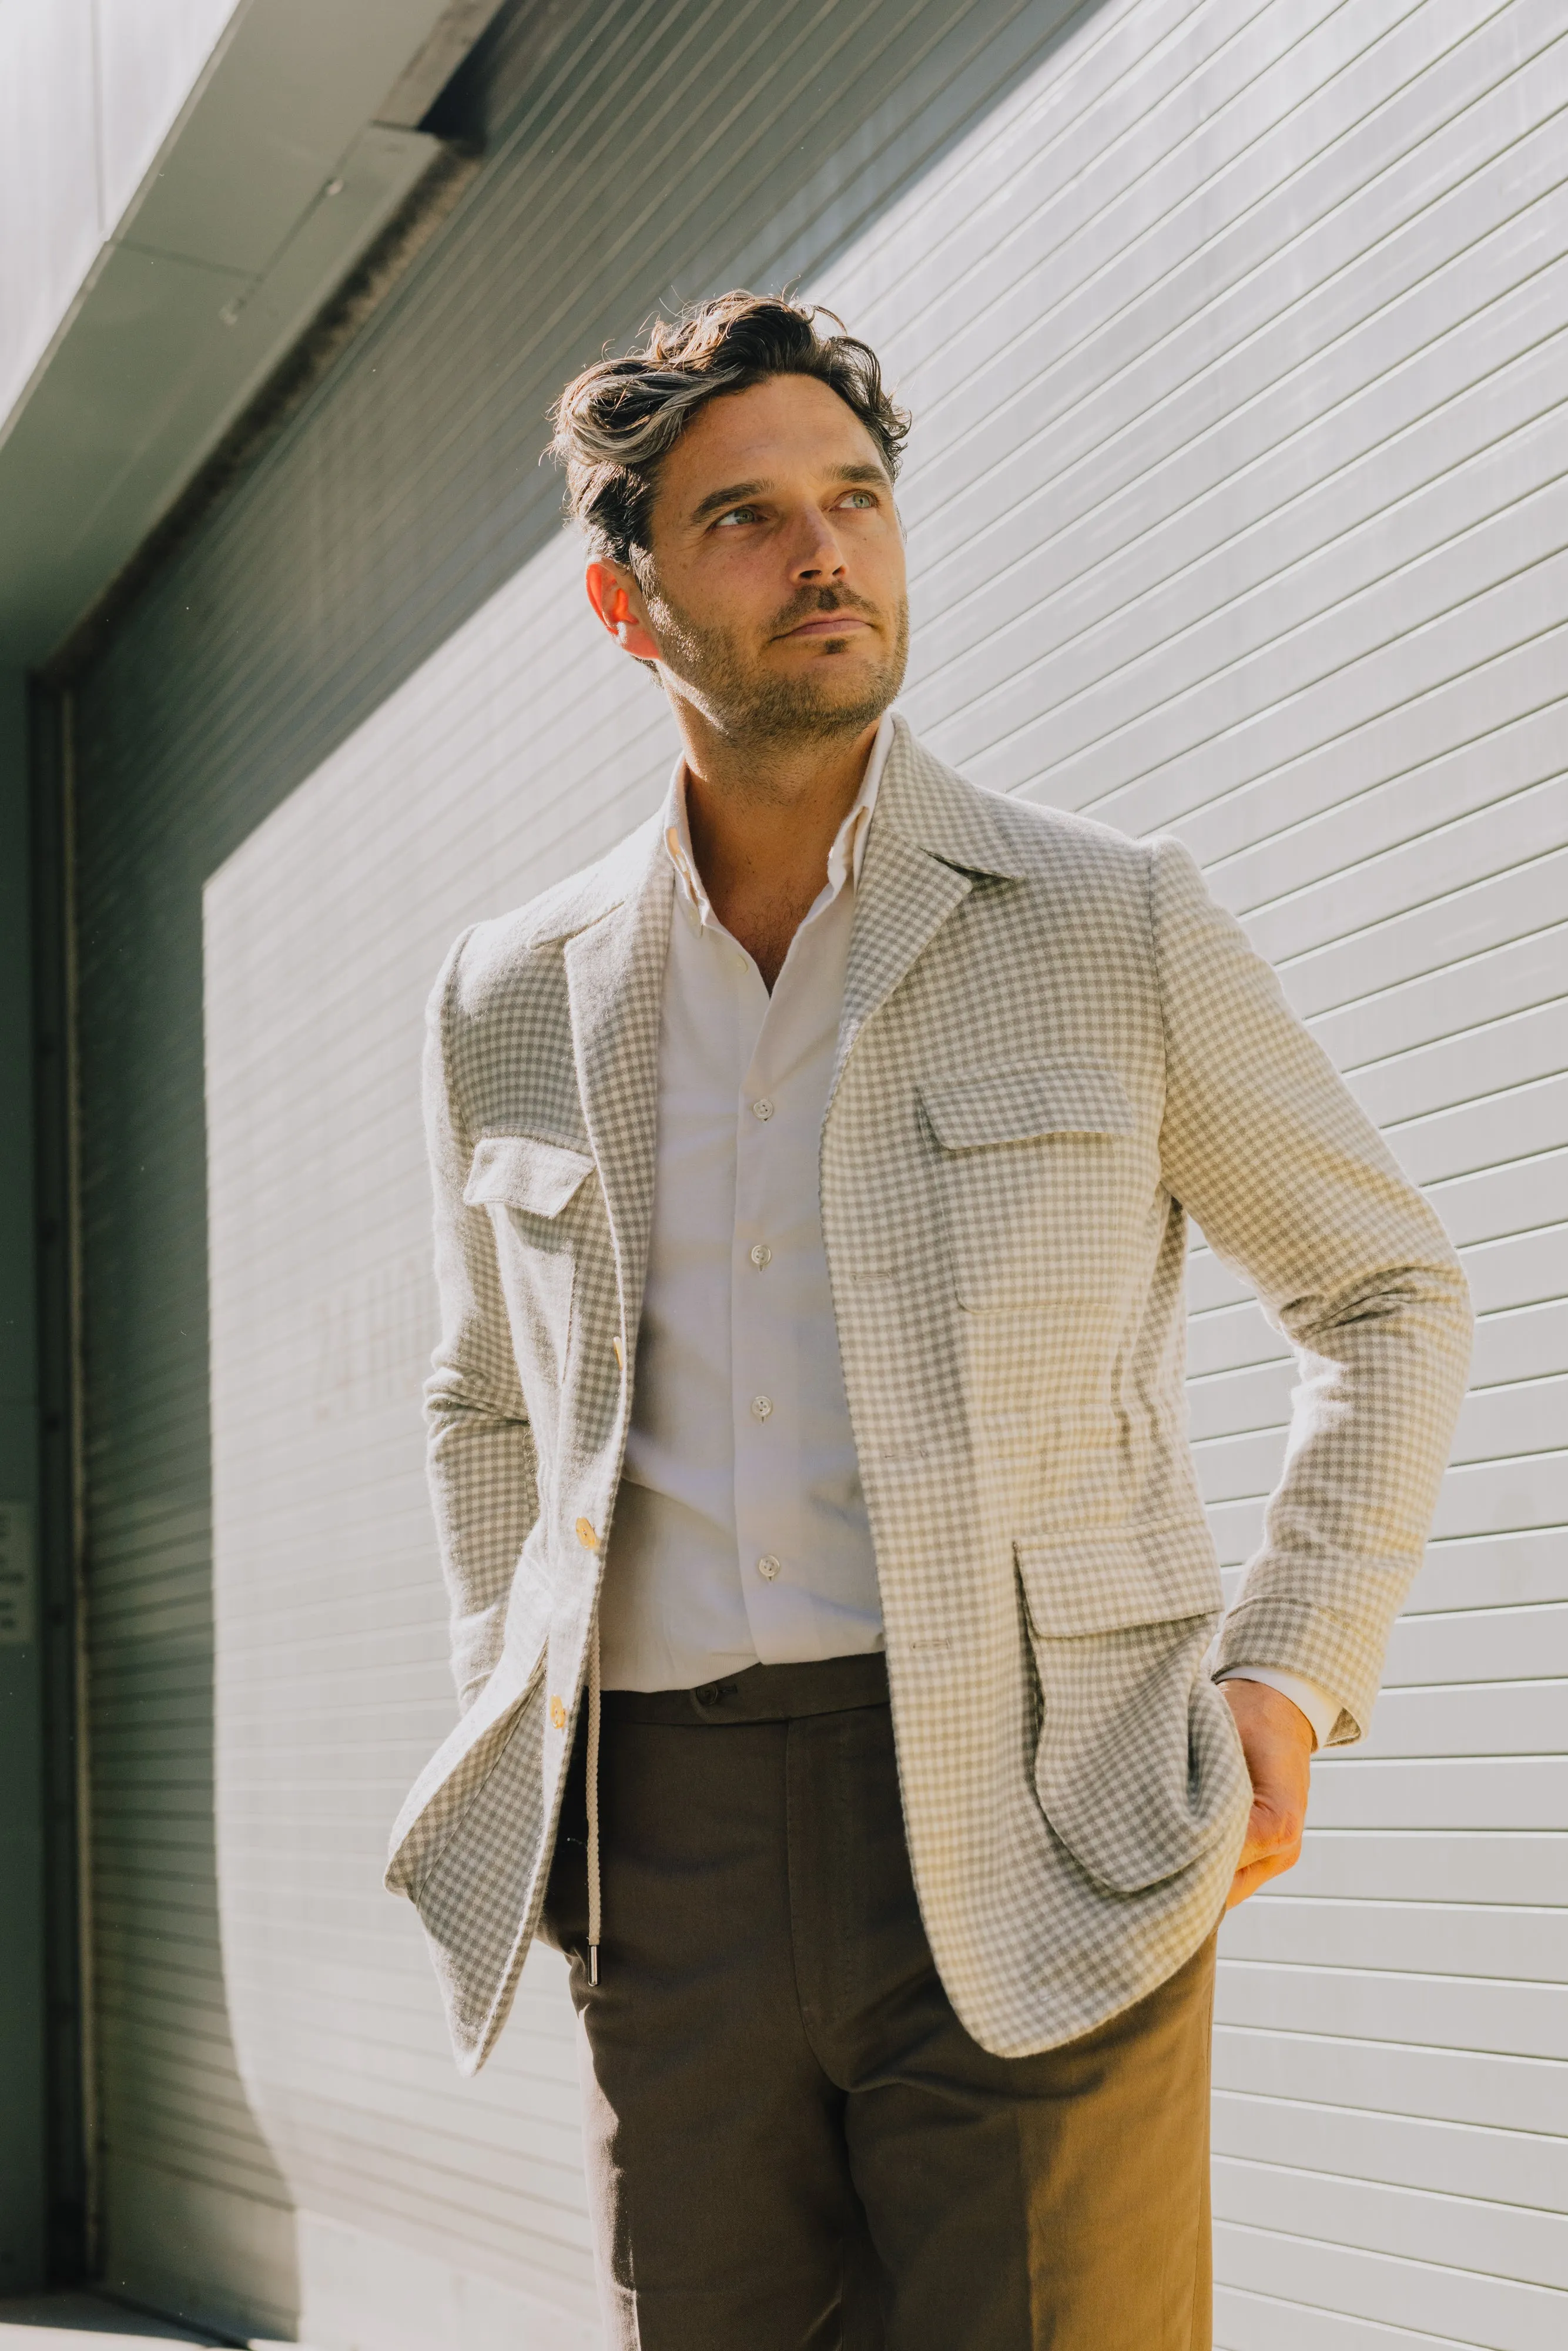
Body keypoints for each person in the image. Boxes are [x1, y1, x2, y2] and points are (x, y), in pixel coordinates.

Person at [386, 293, 1471, 2349]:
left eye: (856, 500)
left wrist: (1288, 1676)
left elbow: (1386, 1288)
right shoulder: (508, 994)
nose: (825, 555)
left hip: (1051, 1802)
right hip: (666, 1842)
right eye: (746, 519)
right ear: (628, 610)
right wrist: (513, 1711)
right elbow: (482, 1413)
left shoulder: (1104, 917)